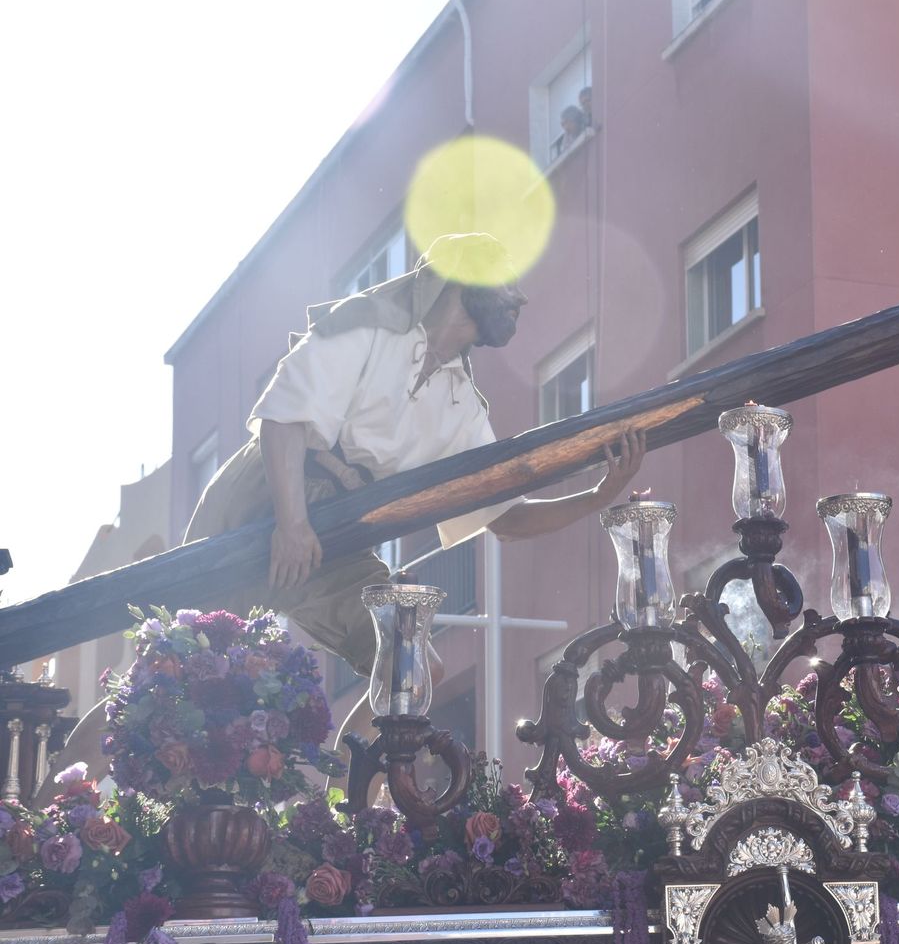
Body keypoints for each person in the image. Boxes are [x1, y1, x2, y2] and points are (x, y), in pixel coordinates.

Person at [185, 232, 644, 677]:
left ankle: (360, 758)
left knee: (411, 663)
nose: (520, 299)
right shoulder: (368, 323)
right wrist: (293, 523)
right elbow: (283, 419)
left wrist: (600, 495)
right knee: (187, 653)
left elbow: (504, 517)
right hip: (263, 495)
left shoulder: (462, 406)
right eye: (507, 281)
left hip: (343, 534)